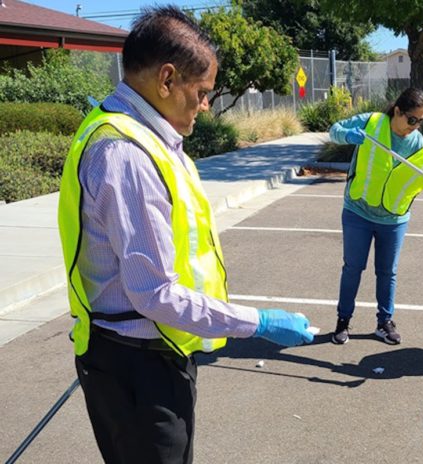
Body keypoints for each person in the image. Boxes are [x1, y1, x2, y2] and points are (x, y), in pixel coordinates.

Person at [57, 7, 314, 463]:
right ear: (167, 79)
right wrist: (257, 323)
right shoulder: (128, 154)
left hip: (142, 353)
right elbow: (154, 293)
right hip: (137, 364)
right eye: (201, 92)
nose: (205, 105)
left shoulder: (139, 135)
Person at [328, 87, 423, 345]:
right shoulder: (372, 123)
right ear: (397, 111)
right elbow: (334, 130)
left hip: (393, 222)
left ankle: (384, 323)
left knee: (388, 272)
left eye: (421, 121)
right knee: (353, 268)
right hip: (357, 212)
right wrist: (348, 136)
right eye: (411, 119)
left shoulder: (422, 151)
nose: (415, 126)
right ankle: (343, 321)